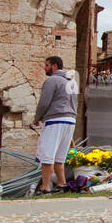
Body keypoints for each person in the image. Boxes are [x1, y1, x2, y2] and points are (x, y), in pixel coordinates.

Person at [32, 56, 79, 195]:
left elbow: (44, 102)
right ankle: (62, 183)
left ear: (54, 66)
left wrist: (37, 118)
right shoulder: (72, 82)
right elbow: (76, 102)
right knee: (60, 156)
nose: (44, 68)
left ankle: (45, 187)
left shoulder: (51, 80)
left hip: (55, 119)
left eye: (46, 65)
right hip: (70, 120)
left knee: (47, 154)